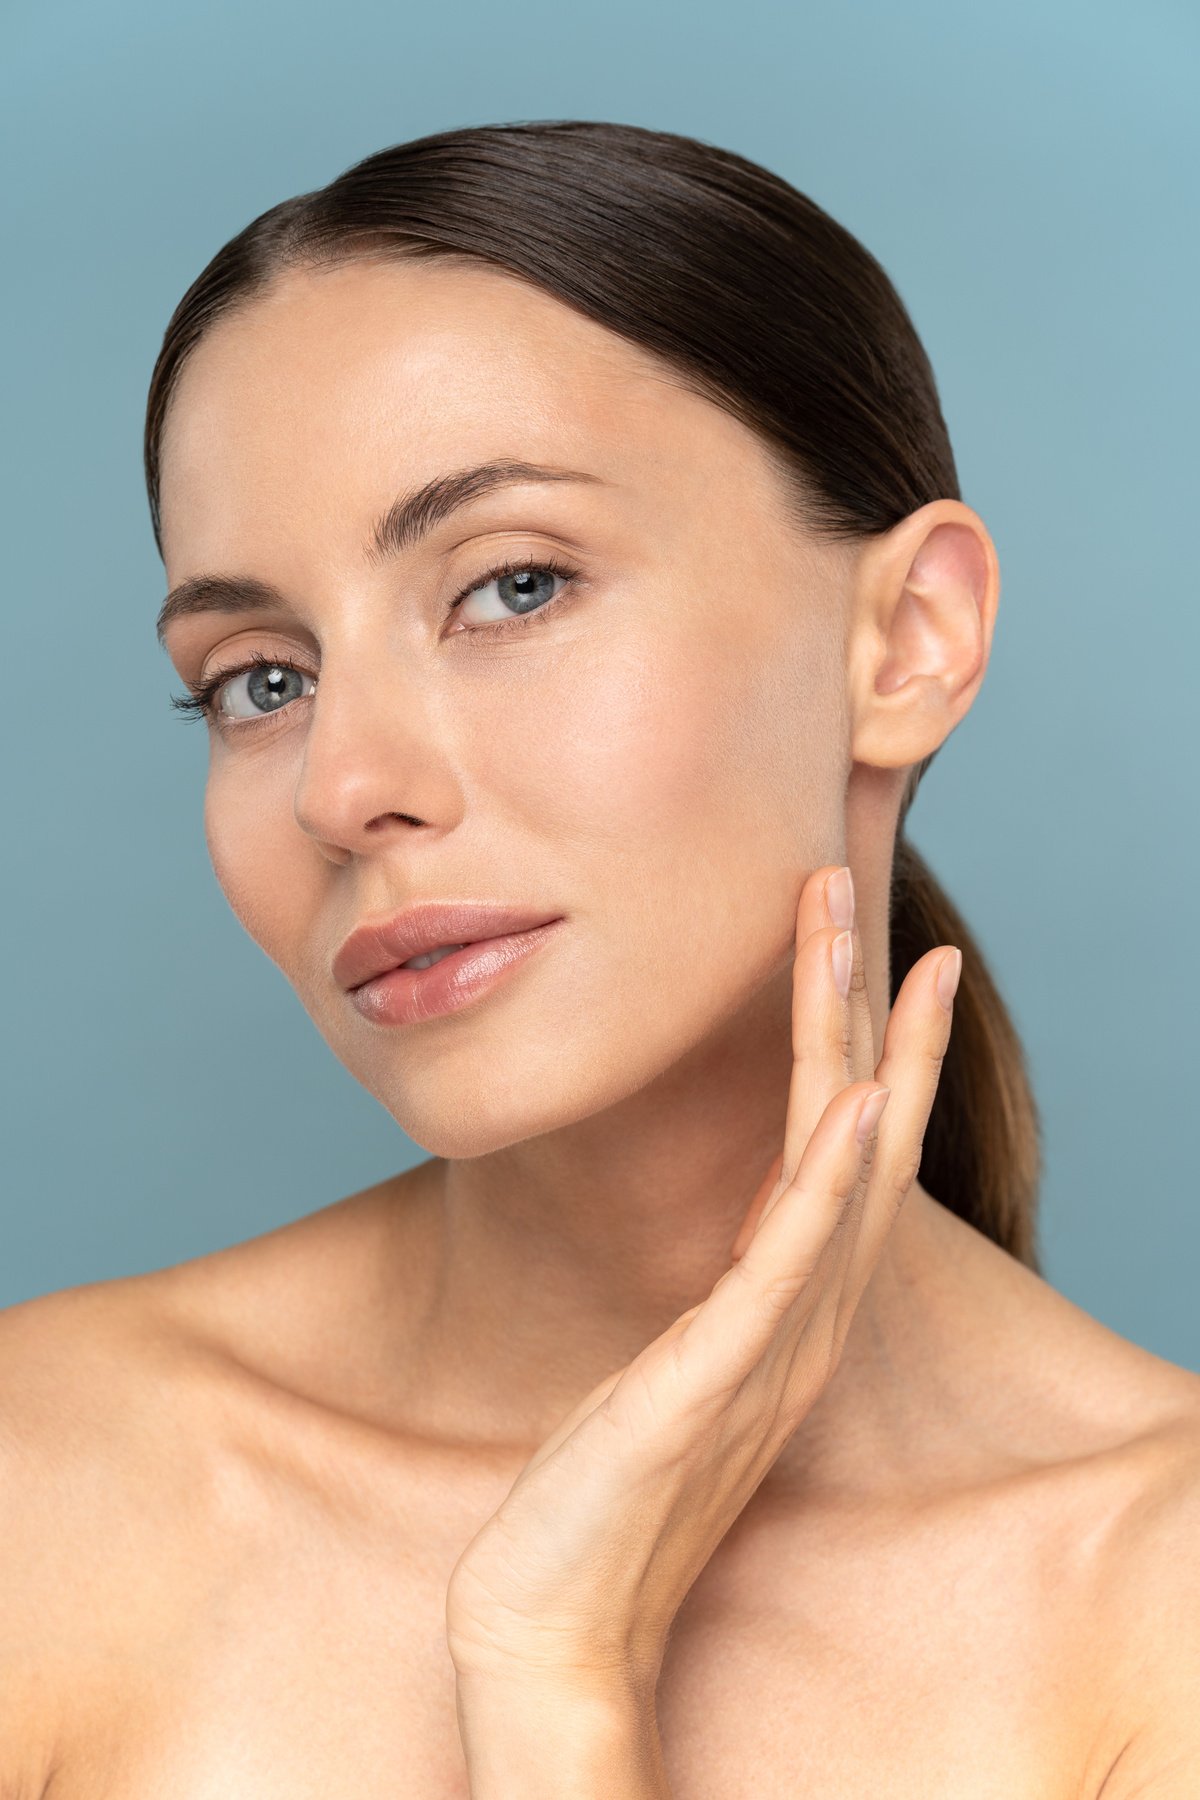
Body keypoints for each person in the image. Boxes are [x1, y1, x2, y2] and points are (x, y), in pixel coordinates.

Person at [2, 119, 1197, 1797]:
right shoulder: (46, 1482)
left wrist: (559, 1674)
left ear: (909, 642)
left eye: (513, 586)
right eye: (259, 679)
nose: (349, 786)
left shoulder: (1160, 1597)